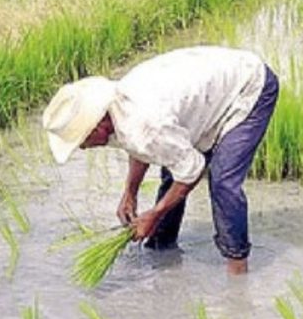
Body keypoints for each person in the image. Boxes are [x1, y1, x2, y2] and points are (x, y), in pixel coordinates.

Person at [42, 45, 279, 274]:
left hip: (248, 87)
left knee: (223, 182)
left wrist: (154, 214)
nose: (83, 148)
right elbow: (143, 149)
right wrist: (130, 192)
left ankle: (237, 271)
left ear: (96, 126)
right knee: (173, 166)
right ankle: (161, 248)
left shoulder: (144, 125)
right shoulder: (117, 112)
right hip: (207, 94)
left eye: (82, 140)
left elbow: (192, 168)